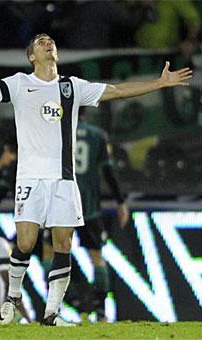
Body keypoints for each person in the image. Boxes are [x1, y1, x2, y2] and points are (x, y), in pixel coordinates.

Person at [0, 33, 192, 325]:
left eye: (50, 41)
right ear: (32, 56)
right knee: (25, 241)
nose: (48, 43)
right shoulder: (20, 84)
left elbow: (117, 91)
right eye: (40, 41)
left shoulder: (72, 87)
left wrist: (159, 83)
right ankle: (12, 298)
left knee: (64, 244)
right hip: (30, 178)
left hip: (64, 179)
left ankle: (52, 313)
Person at [73, 115, 129, 319]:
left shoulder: (59, 130)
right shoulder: (97, 135)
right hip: (89, 207)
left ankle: (70, 304)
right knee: (96, 257)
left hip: (63, 204)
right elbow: (108, 171)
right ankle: (100, 310)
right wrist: (120, 201)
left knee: (51, 253)